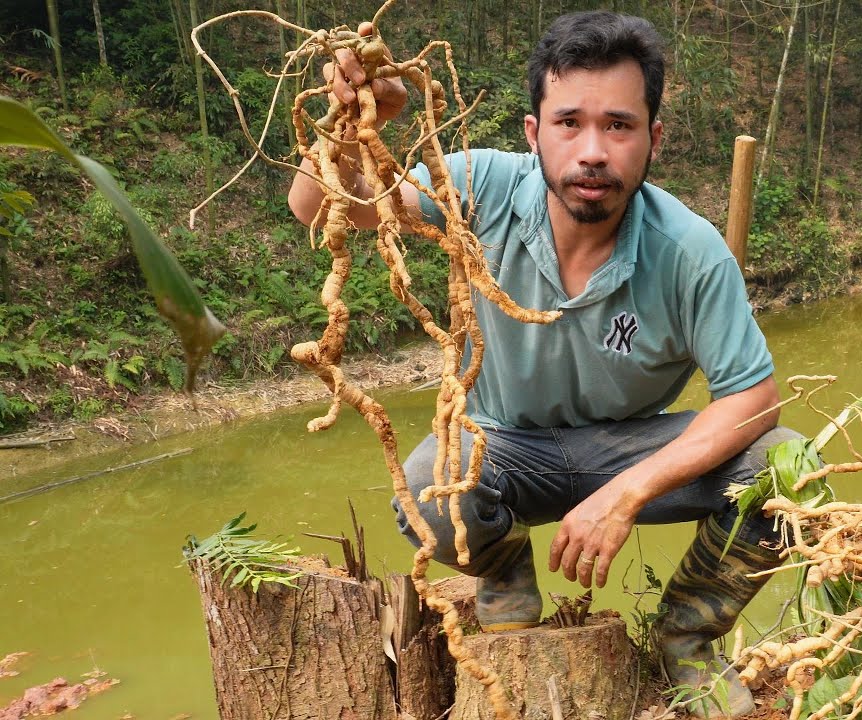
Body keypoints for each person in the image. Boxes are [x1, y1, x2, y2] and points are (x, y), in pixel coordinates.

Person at [288, 11, 799, 718]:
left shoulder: (689, 250)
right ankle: (504, 572)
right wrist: (350, 124)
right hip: (503, 449)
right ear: (534, 134)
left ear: (654, 139)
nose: (593, 151)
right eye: (569, 123)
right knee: (426, 487)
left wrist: (626, 494)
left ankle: (688, 631)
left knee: (785, 470)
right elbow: (319, 207)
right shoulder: (480, 188)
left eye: (619, 126)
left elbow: (756, 398)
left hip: (629, 448)